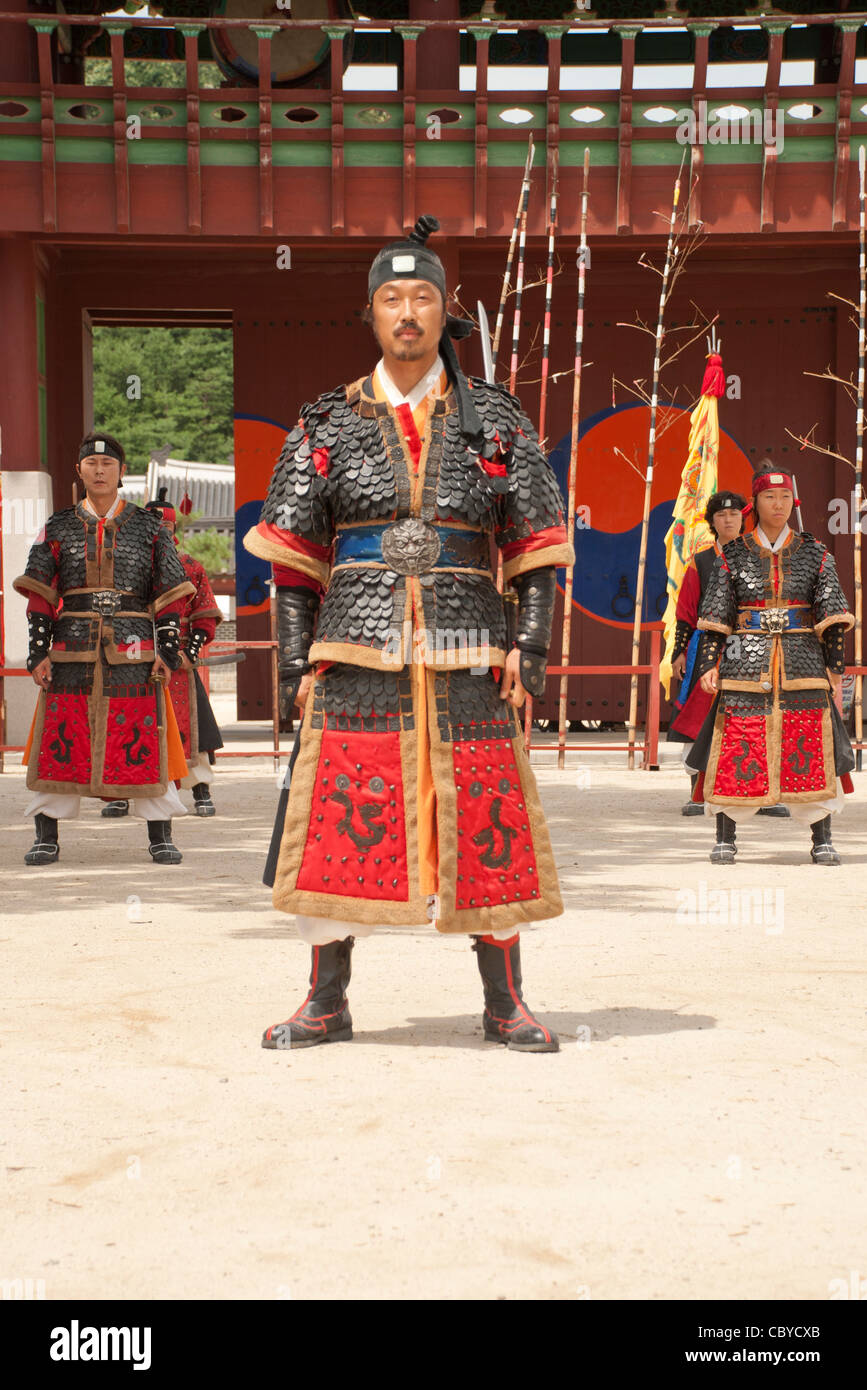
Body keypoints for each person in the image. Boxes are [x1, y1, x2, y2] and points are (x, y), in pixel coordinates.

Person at [243, 215, 574, 1053]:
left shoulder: (495, 420)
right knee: (338, 814)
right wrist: (292, 663)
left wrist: (528, 649)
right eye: (391, 298)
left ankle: (507, 1004)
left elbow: (537, 547)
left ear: (444, 311)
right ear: (371, 314)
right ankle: (326, 1000)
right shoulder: (324, 423)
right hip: (355, 644)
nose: (407, 312)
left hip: (471, 642)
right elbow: (292, 561)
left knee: (487, 812)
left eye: (423, 296)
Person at [14, 432, 194, 866]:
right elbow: (40, 595)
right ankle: (46, 836)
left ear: (121, 472)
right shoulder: (56, 527)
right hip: (70, 644)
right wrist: (38, 653)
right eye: (91, 465)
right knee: (60, 734)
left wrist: (167, 651)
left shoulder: (150, 527)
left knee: (144, 733)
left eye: (107, 465)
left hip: (133, 644)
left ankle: (160, 835)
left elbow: (169, 592)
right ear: (79, 471)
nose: (99, 471)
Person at [686, 460, 855, 864]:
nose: (777, 505)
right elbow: (716, 614)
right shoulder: (733, 554)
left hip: (803, 660)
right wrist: (710, 663)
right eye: (768, 497)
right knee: (735, 743)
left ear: (791, 501)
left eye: (783, 497)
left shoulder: (815, 553)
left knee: (811, 745)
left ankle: (821, 838)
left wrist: (835, 669)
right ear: (755, 504)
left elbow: (831, 613)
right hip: (745, 658)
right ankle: (725, 835)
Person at [665, 490, 792, 817]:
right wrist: (678, 652)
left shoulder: (760, 557)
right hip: (708, 652)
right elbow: (686, 612)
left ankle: (763, 794)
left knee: (757, 718)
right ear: (712, 522)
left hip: (752, 648)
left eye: (735, 514)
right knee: (700, 721)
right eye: (721, 515)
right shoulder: (702, 561)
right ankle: (698, 794)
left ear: (743, 519)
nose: (729, 519)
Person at [101, 489, 224, 819]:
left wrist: (189, 653)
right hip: (133, 656)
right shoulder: (125, 566)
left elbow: (205, 614)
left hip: (179, 659)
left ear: (173, 532)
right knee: (127, 724)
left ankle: (200, 790)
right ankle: (120, 793)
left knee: (190, 730)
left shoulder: (191, 567)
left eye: (164, 530)